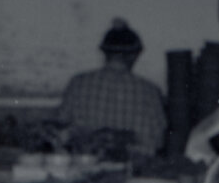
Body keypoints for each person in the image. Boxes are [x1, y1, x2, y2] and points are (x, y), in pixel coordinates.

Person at [57, 18, 167, 158]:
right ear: (134, 55)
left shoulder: (77, 83)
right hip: (132, 167)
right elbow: (158, 141)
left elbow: (61, 128)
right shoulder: (150, 91)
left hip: (86, 165)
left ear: (104, 52)